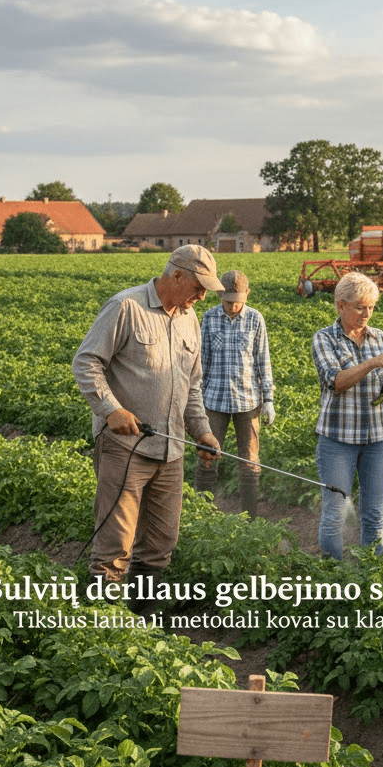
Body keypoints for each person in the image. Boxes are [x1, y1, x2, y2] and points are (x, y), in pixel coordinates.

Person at [73, 245, 223, 611]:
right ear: (176, 276)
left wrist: (201, 431)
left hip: (170, 451)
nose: (202, 296)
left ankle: (142, 628)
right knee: (114, 544)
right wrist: (111, 409)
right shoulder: (127, 307)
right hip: (126, 450)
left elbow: (192, 387)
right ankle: (100, 628)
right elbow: (86, 362)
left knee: (159, 545)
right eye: (198, 287)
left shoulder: (190, 320)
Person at [311, 271, 383, 560]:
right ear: (340, 305)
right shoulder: (324, 339)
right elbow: (337, 382)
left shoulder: (380, 339)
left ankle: (370, 573)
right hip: (337, 440)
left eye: (371, 307)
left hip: (378, 438)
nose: (367, 313)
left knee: (373, 513)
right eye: (359, 307)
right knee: (335, 511)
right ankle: (331, 576)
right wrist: (370, 364)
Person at [194, 270, 275, 517]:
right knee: (207, 455)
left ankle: (249, 518)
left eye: (238, 300)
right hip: (214, 400)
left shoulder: (255, 319)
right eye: (229, 300)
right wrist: (195, 401)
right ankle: (201, 513)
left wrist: (268, 399)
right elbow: (200, 363)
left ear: (247, 295)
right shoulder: (208, 319)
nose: (234, 305)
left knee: (250, 461)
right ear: (220, 294)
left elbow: (263, 360)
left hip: (248, 401)